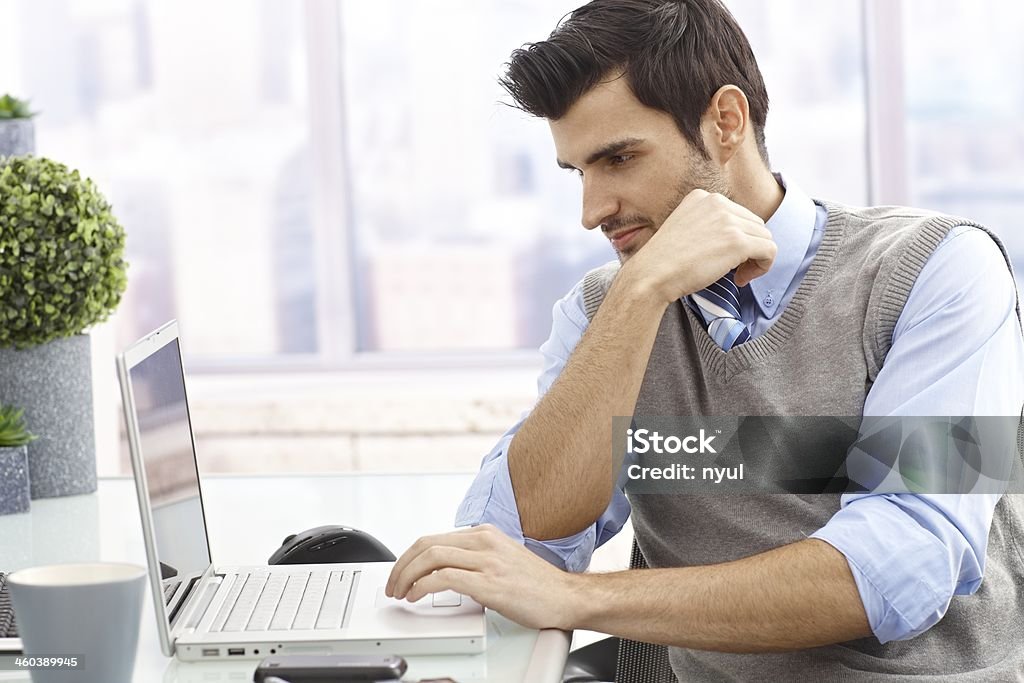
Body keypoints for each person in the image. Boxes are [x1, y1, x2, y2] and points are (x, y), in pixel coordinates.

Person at [385, 0, 1024, 679]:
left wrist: (578, 598)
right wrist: (638, 296)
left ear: (725, 121)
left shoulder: (936, 268)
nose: (591, 210)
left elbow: (910, 560)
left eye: (619, 158)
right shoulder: (611, 308)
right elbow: (520, 543)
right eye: (578, 172)